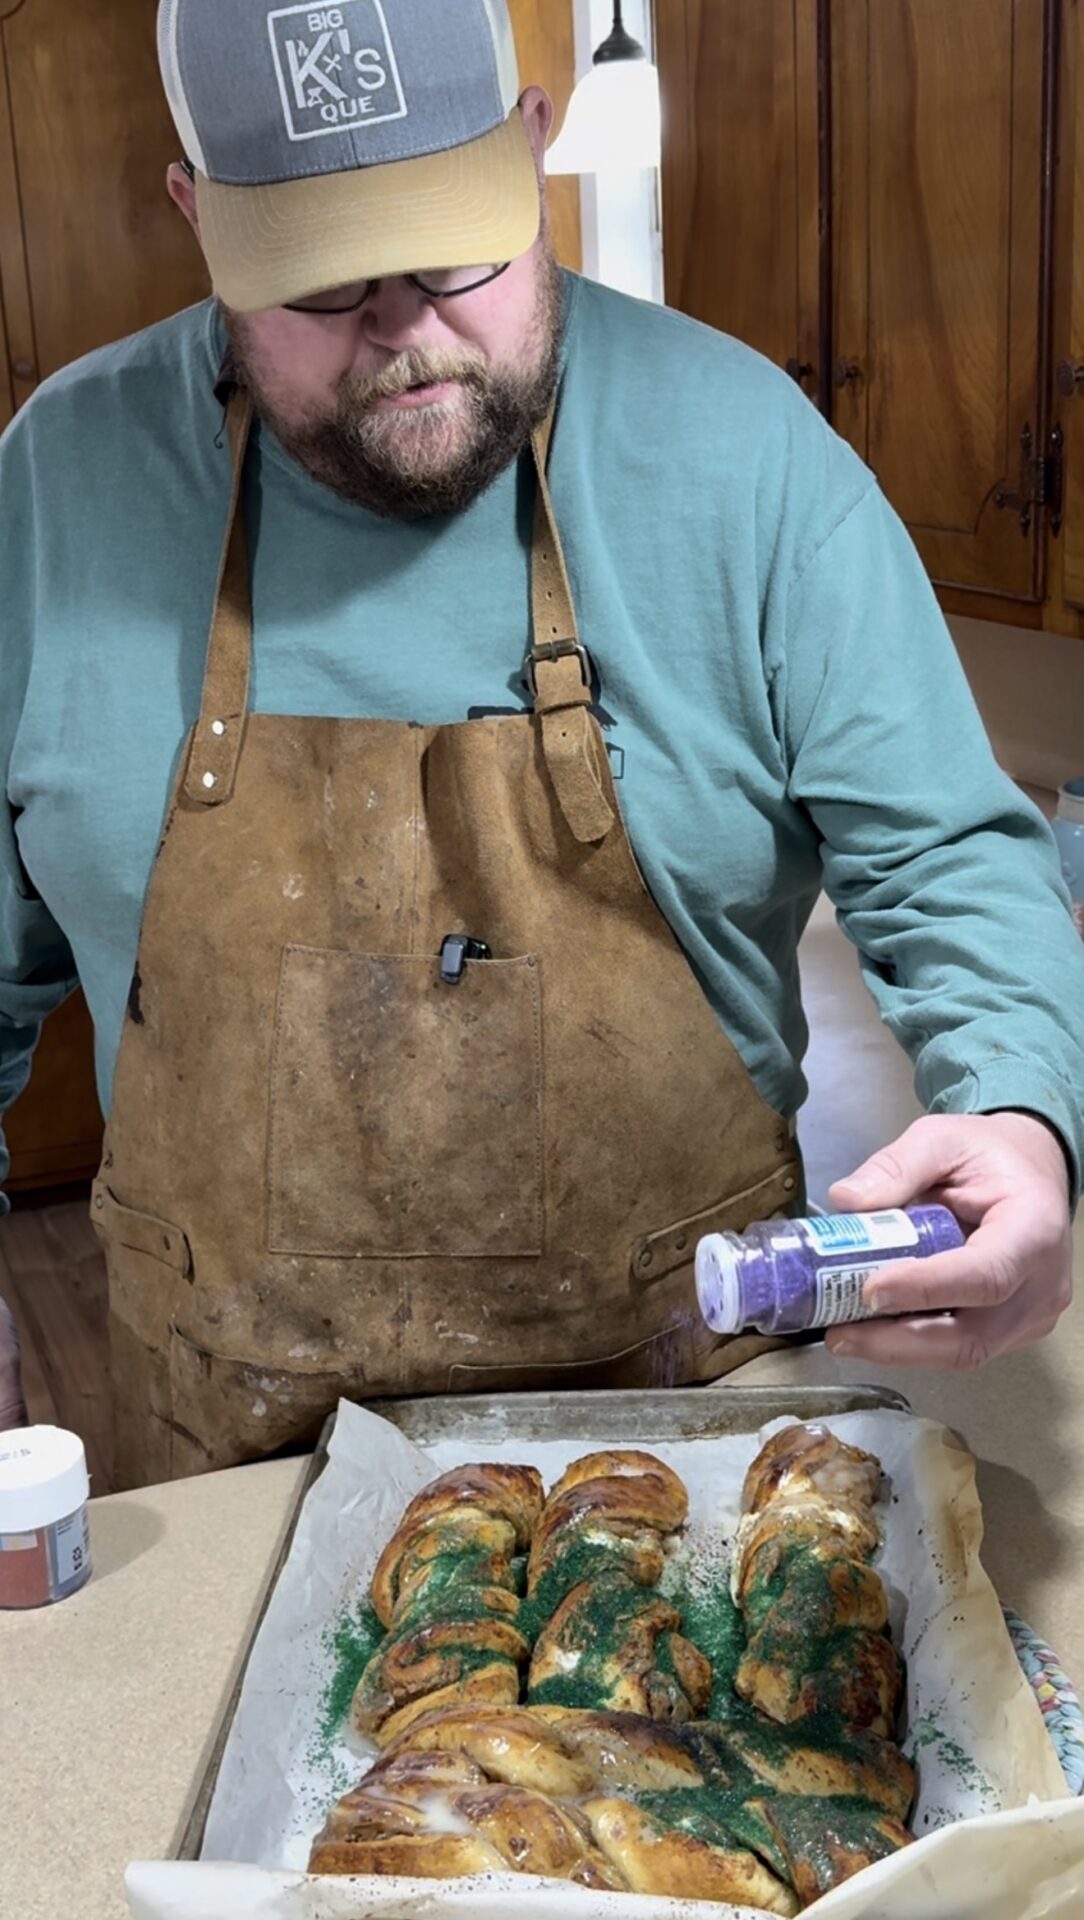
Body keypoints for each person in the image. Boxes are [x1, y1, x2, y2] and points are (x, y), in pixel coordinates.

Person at [0, 0, 1081, 1486]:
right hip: (228, 1478)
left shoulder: (746, 460)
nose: (401, 330)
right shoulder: (53, 496)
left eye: (454, 253)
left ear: (529, 143)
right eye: (319, 282)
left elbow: (949, 855)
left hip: (696, 1452)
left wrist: (1022, 1117)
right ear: (196, 218)